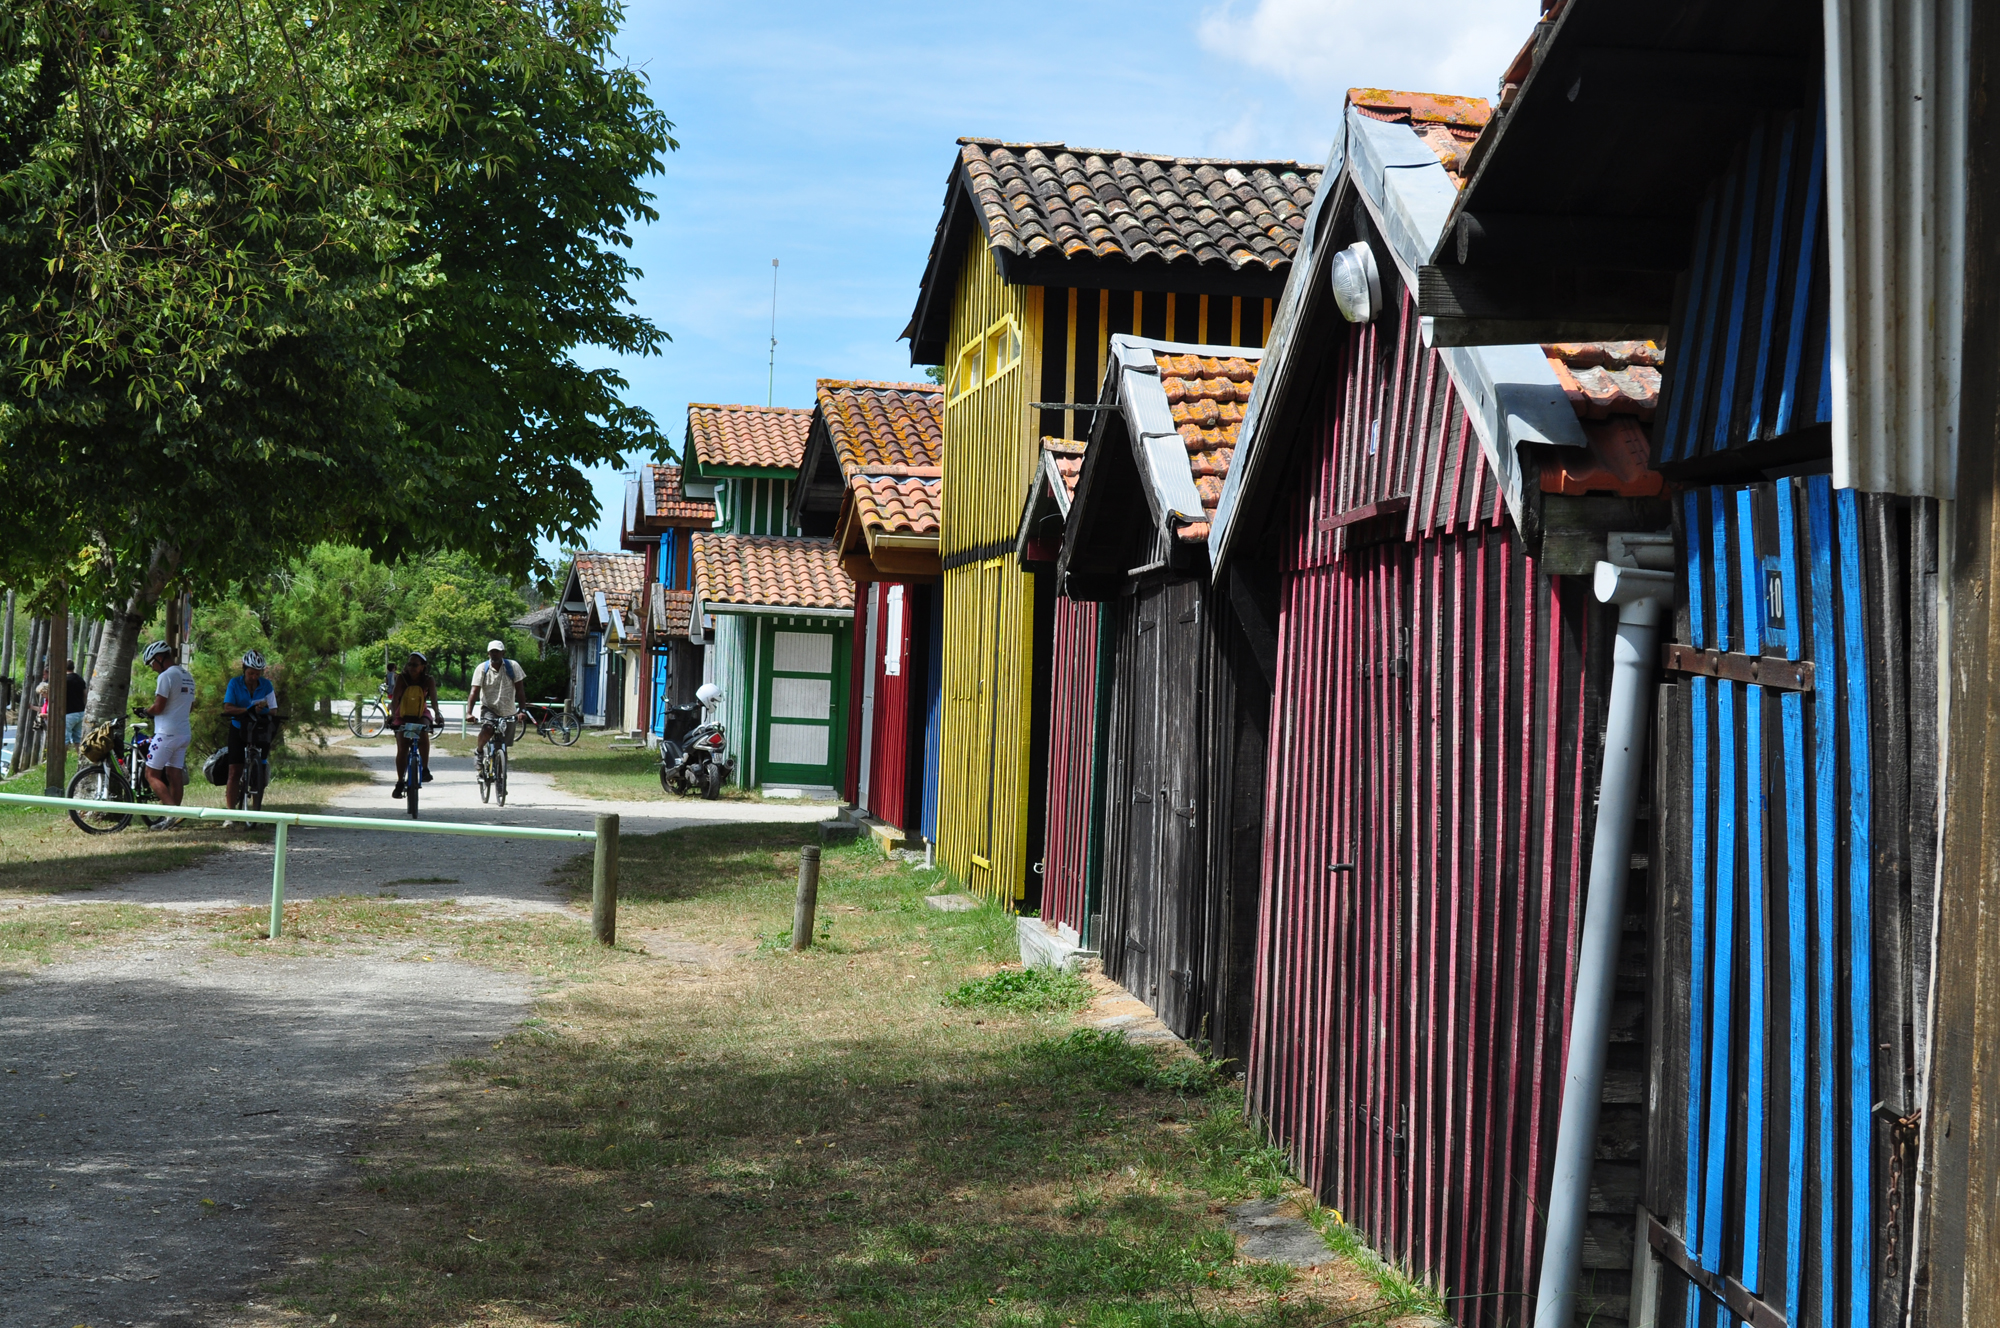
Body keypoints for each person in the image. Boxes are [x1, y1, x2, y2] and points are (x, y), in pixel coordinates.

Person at [139, 640, 194, 816]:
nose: (152, 667)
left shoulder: (166, 676)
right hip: (184, 732)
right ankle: (176, 815)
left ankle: (171, 814)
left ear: (160, 658)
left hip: (166, 733)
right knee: (173, 773)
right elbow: (190, 706)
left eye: (152, 663)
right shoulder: (187, 675)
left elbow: (159, 707)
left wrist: (146, 711)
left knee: (151, 774)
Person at [221, 649, 276, 816]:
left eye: (257, 674)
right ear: (244, 670)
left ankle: (255, 811)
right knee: (234, 771)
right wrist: (247, 709)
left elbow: (274, 709)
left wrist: (263, 708)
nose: (254, 677)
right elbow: (227, 707)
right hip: (239, 727)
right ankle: (230, 814)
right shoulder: (234, 683)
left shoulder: (266, 685)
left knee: (261, 767)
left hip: (259, 729)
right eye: (251, 673)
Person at [387, 650, 441, 798]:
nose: (411, 668)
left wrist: (437, 714)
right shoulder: (401, 679)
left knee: (423, 732)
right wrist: (392, 716)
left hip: (420, 714)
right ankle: (399, 782)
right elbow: (395, 699)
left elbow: (434, 701)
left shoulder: (428, 680)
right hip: (402, 715)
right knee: (402, 747)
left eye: (415, 665)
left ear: (423, 666)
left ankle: (424, 769)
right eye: (409, 664)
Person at [466, 640, 526, 765]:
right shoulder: (482, 669)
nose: (494, 655)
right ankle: (479, 751)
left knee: (504, 743)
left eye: (497, 652)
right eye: (492, 652)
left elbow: (520, 690)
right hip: (489, 708)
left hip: (508, 710)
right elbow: (474, 692)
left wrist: (522, 710)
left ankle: (500, 771)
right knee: (487, 729)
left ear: (503, 653)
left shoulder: (513, 666)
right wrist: (469, 713)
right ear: (488, 654)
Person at [63, 662, 85, 748]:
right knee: (79, 739)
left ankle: (62, 760)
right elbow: (85, 694)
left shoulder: (64, 680)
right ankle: (81, 760)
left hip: (68, 713)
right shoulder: (80, 679)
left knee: (64, 739)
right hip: (80, 712)